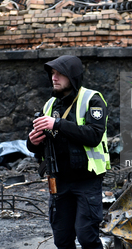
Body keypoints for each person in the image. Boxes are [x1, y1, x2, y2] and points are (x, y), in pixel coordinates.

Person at [27, 55, 110, 249]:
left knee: (87, 236)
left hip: (86, 180)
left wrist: (58, 123)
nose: (54, 78)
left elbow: (94, 135)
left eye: (60, 74)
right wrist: (32, 142)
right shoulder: (49, 105)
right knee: (62, 239)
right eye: (52, 74)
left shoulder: (93, 99)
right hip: (59, 182)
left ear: (72, 76)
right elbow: (38, 146)